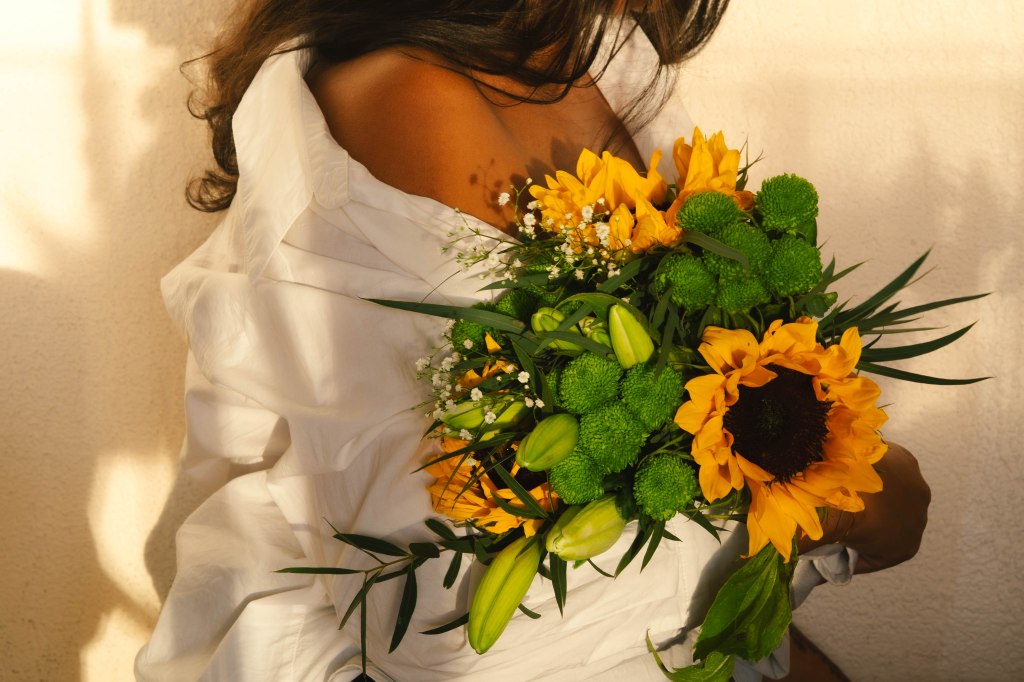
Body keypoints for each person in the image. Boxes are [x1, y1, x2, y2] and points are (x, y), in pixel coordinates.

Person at [137, 2, 930, 680]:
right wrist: (837, 498)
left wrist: (813, 471)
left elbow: (700, 419)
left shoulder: (603, 56)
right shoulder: (419, 97)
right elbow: (498, 589)